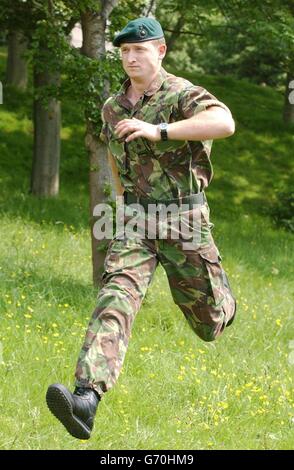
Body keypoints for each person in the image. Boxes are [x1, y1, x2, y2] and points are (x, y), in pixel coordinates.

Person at [46, 17, 237, 440]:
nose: (131, 57)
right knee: (116, 295)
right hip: (136, 221)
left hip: (183, 220)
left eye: (140, 49)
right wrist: (121, 201)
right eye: (125, 51)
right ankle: (86, 398)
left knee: (208, 324)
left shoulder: (180, 94)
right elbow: (117, 157)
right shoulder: (112, 107)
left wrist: (159, 130)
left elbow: (224, 122)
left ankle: (224, 303)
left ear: (161, 51)